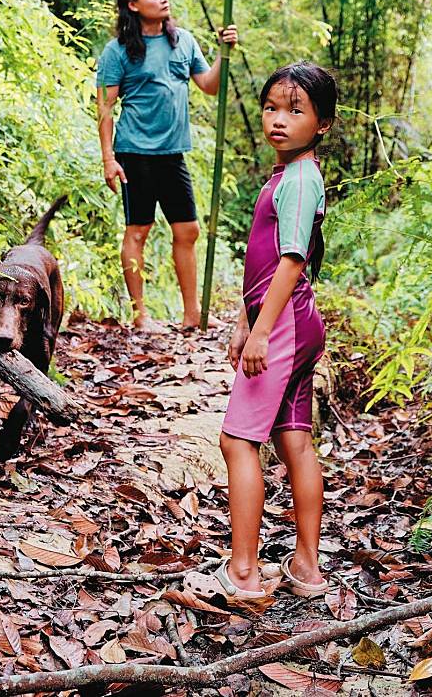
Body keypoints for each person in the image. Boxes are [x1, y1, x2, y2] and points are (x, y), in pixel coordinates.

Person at [185, 61, 337, 602]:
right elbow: (267, 260)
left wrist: (261, 333)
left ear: (322, 124)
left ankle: (244, 573)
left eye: (295, 111)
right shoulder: (288, 176)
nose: (279, 119)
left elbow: (293, 260)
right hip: (291, 322)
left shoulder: (300, 180)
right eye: (272, 107)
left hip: (286, 326)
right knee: (293, 439)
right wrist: (244, 320)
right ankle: (306, 567)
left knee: (236, 440)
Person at [96, 0, 237, 331]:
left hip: (172, 154)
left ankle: (192, 315)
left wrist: (224, 53)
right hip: (135, 154)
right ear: (133, 4)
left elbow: (209, 85)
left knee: (187, 230)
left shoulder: (183, 41)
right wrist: (109, 159)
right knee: (138, 231)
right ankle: (140, 316)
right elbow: (106, 108)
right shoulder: (118, 51)